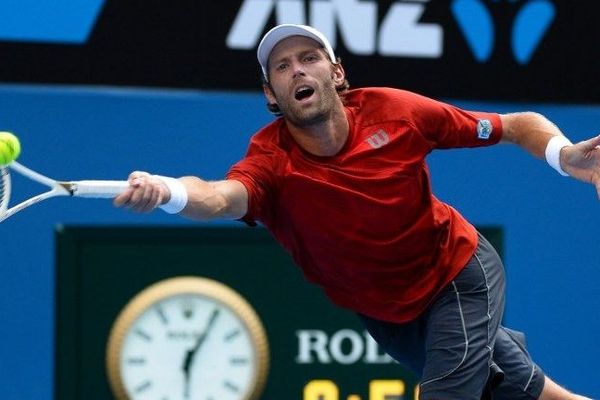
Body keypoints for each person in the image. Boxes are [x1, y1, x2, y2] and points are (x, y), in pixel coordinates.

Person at [114, 24, 598, 400]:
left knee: (449, 390)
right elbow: (219, 197)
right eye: (281, 67)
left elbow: (514, 125)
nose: (298, 71)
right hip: (388, 315)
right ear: (270, 94)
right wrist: (169, 191)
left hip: (455, 273)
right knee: (522, 392)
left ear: (337, 73)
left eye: (309, 58)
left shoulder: (398, 112)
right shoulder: (270, 162)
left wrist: (565, 156)